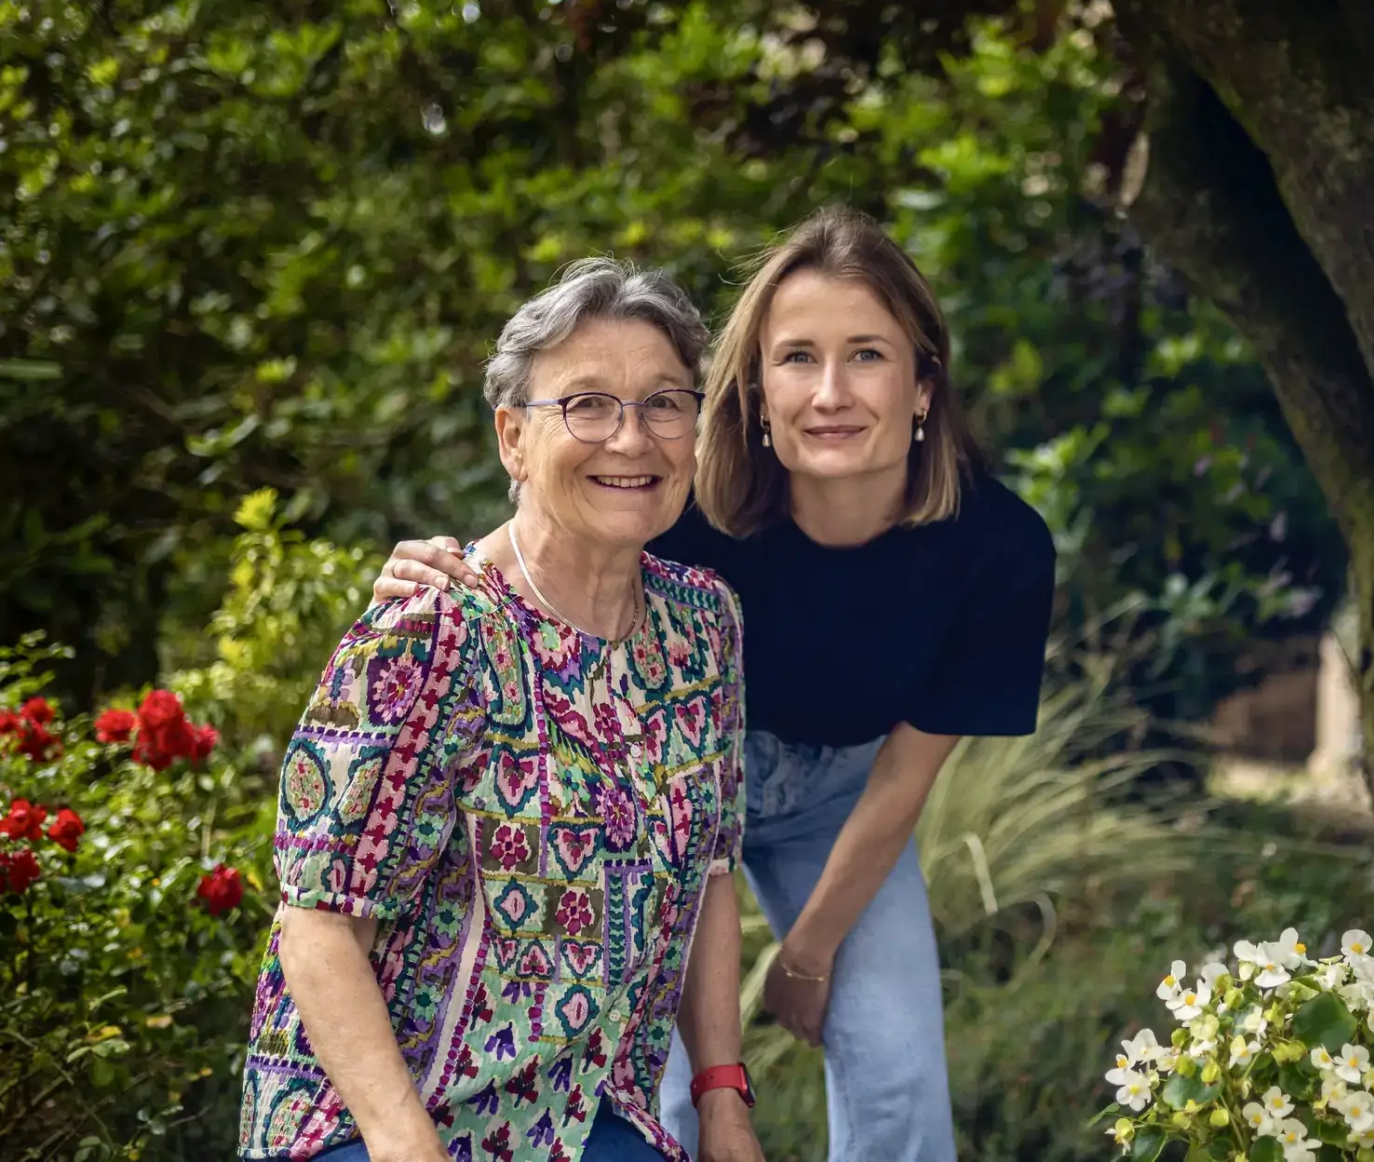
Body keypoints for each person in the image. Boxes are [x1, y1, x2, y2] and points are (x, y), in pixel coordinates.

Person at [372, 207, 1057, 1162]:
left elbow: (904, 777)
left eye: (866, 355)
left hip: (841, 800)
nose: (829, 393)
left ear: (922, 385)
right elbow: (547, 538)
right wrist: (436, 569)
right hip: (663, 790)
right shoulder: (684, 499)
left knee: (897, 1068)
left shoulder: (1001, 549)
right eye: (796, 359)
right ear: (756, 388)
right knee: (663, 1097)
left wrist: (806, 958)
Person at [240, 261, 764, 1162]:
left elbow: (710, 869)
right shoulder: (433, 630)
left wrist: (722, 1097)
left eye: (663, 404)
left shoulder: (703, 626)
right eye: (587, 405)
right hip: (378, 1120)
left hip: (587, 1115)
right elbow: (317, 923)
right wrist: (408, 1144)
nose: (631, 438)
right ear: (513, 438)